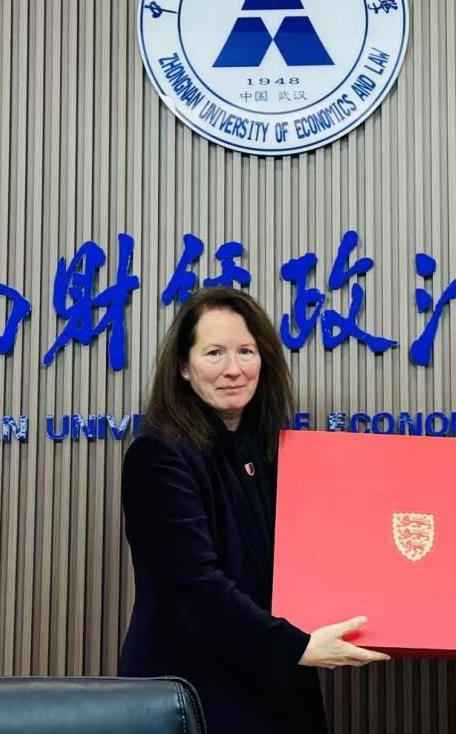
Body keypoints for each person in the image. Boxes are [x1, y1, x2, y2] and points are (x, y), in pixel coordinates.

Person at [118, 286, 387, 733]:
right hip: (196, 694)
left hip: (268, 689)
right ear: (183, 366)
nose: (233, 369)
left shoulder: (263, 455)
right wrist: (296, 646)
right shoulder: (159, 454)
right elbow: (193, 588)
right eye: (214, 353)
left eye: (246, 351)